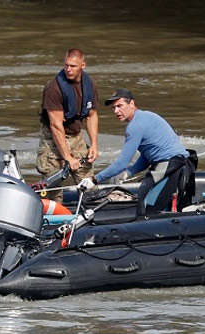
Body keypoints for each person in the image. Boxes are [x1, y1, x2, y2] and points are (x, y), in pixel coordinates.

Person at [79, 88, 193, 215]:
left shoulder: (135, 126)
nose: (116, 111)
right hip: (176, 163)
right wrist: (128, 172)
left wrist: (94, 179)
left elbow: (121, 163)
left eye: (120, 106)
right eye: (114, 107)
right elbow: (147, 156)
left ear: (132, 103)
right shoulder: (145, 116)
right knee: (145, 199)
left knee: (145, 207)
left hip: (171, 165)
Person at [37, 48, 99, 201]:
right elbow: (56, 126)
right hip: (53, 138)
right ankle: (53, 210)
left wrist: (94, 144)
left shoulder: (89, 84)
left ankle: (91, 207)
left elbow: (91, 115)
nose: (69, 69)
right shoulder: (54, 88)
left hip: (76, 136)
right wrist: (67, 157)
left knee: (88, 184)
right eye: (66, 65)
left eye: (73, 66)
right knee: (53, 189)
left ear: (83, 65)